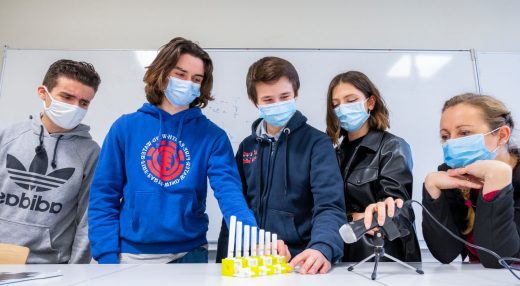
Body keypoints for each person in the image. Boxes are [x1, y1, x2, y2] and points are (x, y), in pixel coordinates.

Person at [88, 37, 257, 264]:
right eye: (180, 74)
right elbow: (103, 195)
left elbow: (230, 193)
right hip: (130, 255)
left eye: (196, 79)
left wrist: (253, 237)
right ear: (162, 72)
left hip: (190, 253)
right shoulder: (125, 128)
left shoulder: (213, 136)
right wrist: (106, 255)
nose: (188, 83)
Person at [216, 56, 346, 275]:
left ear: (296, 93)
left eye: (284, 96)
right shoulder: (247, 147)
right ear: (254, 101)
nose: (277, 105)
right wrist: (223, 259)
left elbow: (330, 205)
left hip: (299, 262)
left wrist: (323, 247)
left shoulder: (317, 144)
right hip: (250, 261)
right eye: (268, 99)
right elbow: (235, 204)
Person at [0, 59, 101, 263]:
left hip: (52, 267)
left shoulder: (91, 153)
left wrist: (77, 272)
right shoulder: (8, 137)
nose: (75, 107)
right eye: (67, 97)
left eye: (83, 103)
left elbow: (87, 221)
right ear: (42, 93)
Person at [325, 71, 421, 262]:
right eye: (336, 105)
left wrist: (360, 217)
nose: (343, 109)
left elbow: (396, 212)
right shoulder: (334, 154)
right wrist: (353, 217)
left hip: (384, 256)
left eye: (350, 100)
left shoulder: (391, 147)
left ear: (370, 102)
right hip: (343, 255)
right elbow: (327, 208)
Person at [422, 93, 519, 268]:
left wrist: (497, 181)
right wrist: (432, 191)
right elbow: (445, 253)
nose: (451, 143)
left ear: (502, 135)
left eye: (465, 132)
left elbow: (498, 259)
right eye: (445, 136)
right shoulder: (449, 174)